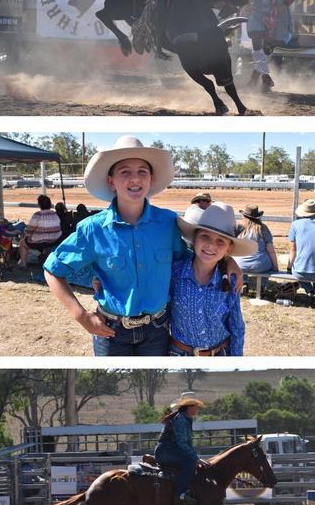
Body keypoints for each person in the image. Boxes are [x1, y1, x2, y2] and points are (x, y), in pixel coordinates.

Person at [44, 136, 241, 356]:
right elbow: (52, 270)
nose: (134, 179)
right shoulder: (93, 229)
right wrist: (81, 317)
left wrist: (228, 260)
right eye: (125, 172)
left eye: (142, 172)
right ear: (111, 181)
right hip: (111, 331)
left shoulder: (167, 223)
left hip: (157, 330)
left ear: (151, 178)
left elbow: (191, 260)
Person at [169, 202, 251, 356]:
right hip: (179, 355)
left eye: (221, 241)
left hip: (219, 355)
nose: (211, 245)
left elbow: (236, 325)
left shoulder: (230, 280)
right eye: (205, 236)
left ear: (229, 248)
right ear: (194, 239)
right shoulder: (174, 272)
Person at [154, 397, 205, 505]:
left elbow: (186, 443)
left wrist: (195, 456)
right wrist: (195, 458)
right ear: (190, 407)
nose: (197, 409)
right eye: (196, 406)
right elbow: (182, 443)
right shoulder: (181, 420)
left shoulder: (185, 419)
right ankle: (181, 494)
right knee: (189, 463)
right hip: (166, 451)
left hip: (169, 451)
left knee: (191, 460)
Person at [288, 199, 315, 300]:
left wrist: (289, 268)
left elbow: (293, 250)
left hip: (301, 272)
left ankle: (311, 291)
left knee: (298, 274)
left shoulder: (295, 224)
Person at [16, 194, 63, 269]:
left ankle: (23, 265)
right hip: (55, 240)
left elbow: (29, 230)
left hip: (39, 242)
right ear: (49, 204)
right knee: (45, 245)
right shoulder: (54, 214)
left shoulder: (37, 215)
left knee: (22, 243)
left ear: (39, 205)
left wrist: (27, 236)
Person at [233, 204, 278, 274]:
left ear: (244, 216)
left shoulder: (238, 227)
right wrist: (276, 267)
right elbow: (271, 251)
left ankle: (244, 282)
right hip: (260, 265)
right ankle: (263, 284)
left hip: (239, 264)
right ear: (258, 217)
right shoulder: (263, 228)